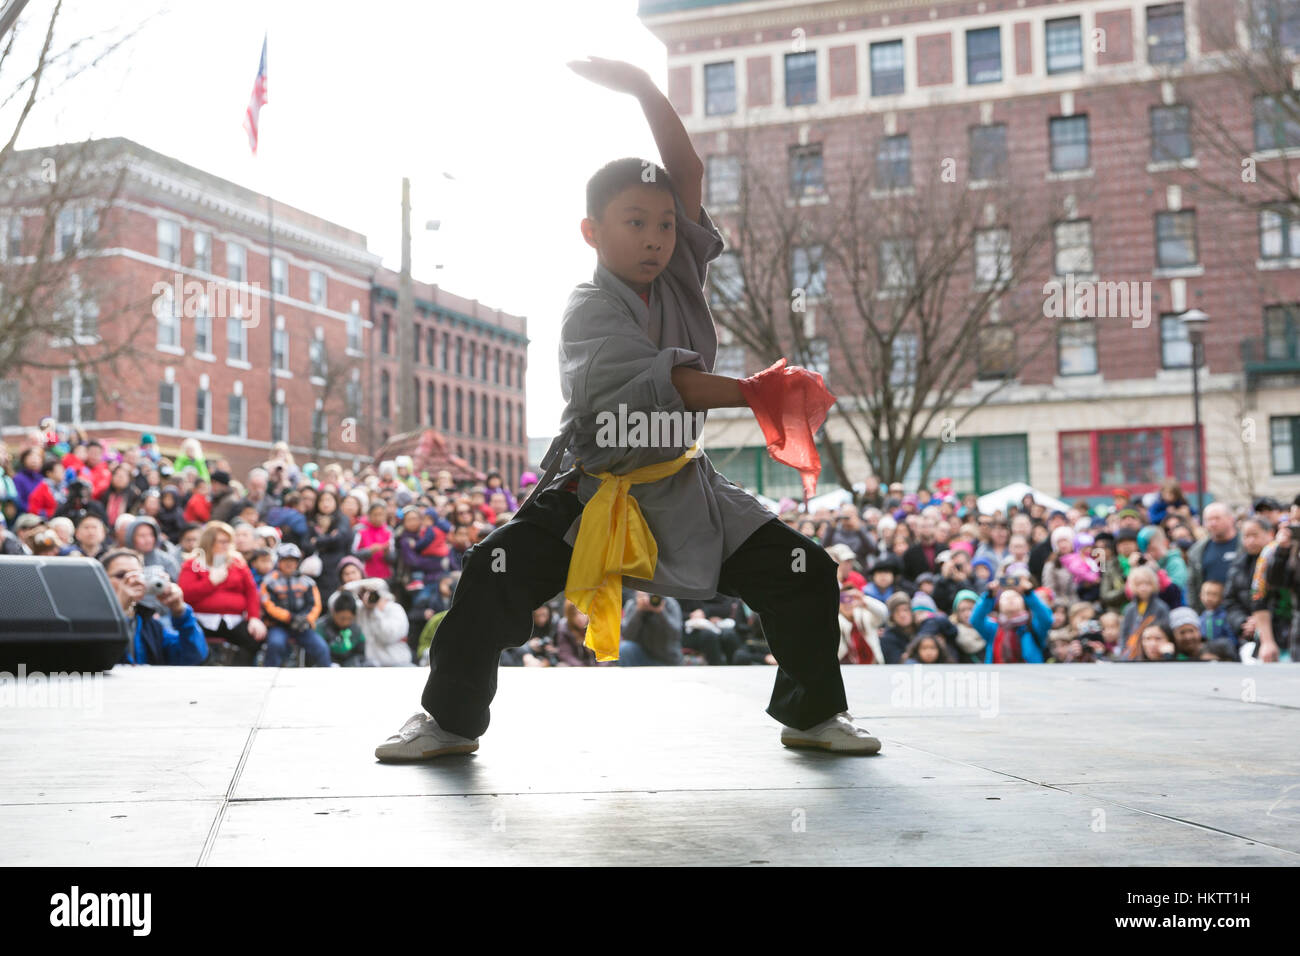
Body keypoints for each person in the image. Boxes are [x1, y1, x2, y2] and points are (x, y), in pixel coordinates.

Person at [376, 58, 877, 761]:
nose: (655, 237)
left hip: (684, 487)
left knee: (805, 570)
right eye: (635, 222)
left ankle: (815, 713)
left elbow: (688, 174)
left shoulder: (677, 276)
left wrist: (644, 88)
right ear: (592, 231)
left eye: (667, 225)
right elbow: (666, 384)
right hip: (593, 490)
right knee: (491, 571)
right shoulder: (587, 310)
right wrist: (754, 391)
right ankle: (448, 723)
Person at [177, 521, 266, 665]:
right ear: (209, 542)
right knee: (191, 639)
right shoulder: (193, 564)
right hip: (202, 620)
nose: (226, 545)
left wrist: (254, 617)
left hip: (233, 620)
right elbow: (185, 594)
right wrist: (210, 583)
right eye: (221, 542)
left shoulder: (237, 562)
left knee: (255, 637)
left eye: (228, 541)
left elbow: (251, 592)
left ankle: (240, 672)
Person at [101, 548, 207, 666]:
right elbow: (94, 658)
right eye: (121, 575)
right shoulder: (89, 623)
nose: (131, 581)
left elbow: (192, 656)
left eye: (138, 576)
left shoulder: (149, 624)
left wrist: (180, 611)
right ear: (102, 580)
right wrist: (119, 611)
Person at [260, 543, 329, 667]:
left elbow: (315, 605)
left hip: (302, 626)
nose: (289, 564)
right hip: (278, 626)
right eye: (286, 560)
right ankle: (268, 675)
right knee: (276, 644)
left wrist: (306, 619)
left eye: (293, 560)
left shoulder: (308, 582)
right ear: (279, 561)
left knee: (321, 647)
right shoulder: (269, 581)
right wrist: (290, 618)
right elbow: (269, 605)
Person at [318, 590, 367, 666]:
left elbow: (360, 654)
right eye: (342, 618)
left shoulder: (356, 630)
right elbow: (318, 653)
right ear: (334, 612)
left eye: (349, 619)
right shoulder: (321, 627)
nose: (345, 622)